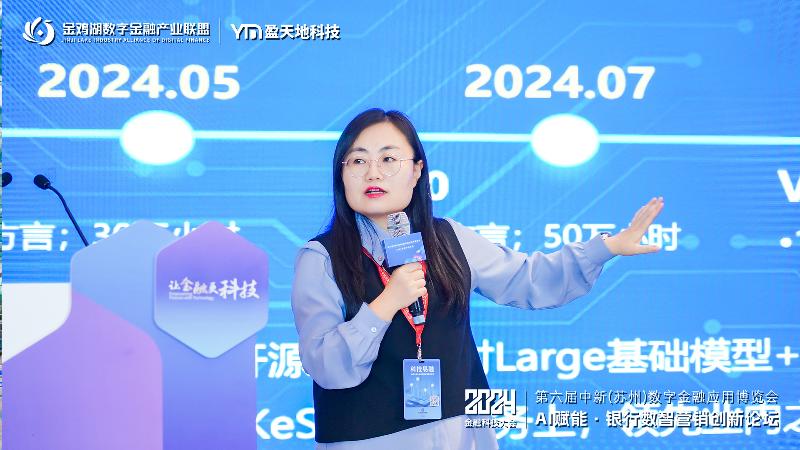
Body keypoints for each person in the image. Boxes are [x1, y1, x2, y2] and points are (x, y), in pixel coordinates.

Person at [291, 108, 665, 449]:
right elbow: (324, 363)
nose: (373, 172)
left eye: (388, 159)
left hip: (461, 433)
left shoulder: (448, 238)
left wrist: (606, 248)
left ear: (417, 170)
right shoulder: (320, 258)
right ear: (342, 173)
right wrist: (386, 304)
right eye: (358, 160)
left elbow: (528, 279)